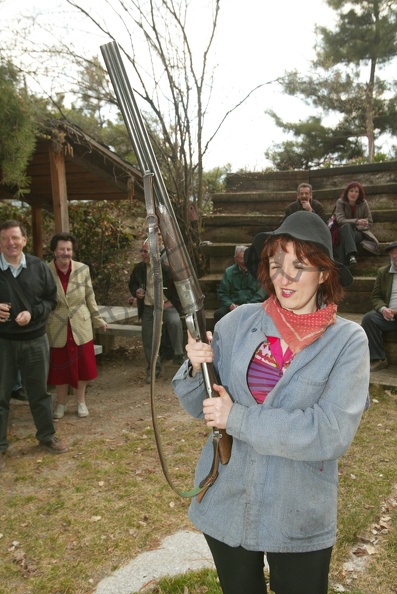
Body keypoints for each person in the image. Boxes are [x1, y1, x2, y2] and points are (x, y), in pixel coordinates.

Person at [172, 211, 369, 594]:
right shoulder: (237, 323)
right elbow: (200, 406)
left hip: (298, 511)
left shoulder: (348, 341)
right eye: (277, 265)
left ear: (325, 273)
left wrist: (238, 419)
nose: (285, 278)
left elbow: (329, 433)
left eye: (300, 265)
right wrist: (197, 368)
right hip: (228, 501)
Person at [0, 220, 67, 470]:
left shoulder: (38, 267)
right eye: (5, 238)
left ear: (24, 240)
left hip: (36, 340)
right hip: (3, 342)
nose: (10, 243)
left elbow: (51, 301)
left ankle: (46, 436)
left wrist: (33, 314)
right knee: (1, 396)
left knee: (39, 393)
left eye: (15, 238)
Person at [46, 232, 108, 419]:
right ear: (54, 251)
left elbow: (90, 296)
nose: (66, 253)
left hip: (80, 326)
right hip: (57, 327)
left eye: (69, 249)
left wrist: (98, 319)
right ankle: (61, 404)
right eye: (62, 249)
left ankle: (81, 402)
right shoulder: (45, 270)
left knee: (82, 367)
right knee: (60, 369)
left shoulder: (83, 269)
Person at [129, 239, 185, 384]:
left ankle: (178, 355)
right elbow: (132, 284)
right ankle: (153, 369)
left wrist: (170, 303)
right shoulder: (139, 269)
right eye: (141, 251)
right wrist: (136, 292)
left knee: (174, 322)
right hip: (148, 307)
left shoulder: (166, 269)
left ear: (154, 253)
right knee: (148, 337)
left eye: (145, 251)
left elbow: (179, 290)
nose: (142, 254)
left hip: (166, 306)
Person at [361, 241, 397, 371]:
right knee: (369, 319)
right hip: (389, 315)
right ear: (390, 257)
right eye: (394, 255)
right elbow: (376, 296)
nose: (396, 257)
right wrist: (383, 309)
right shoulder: (383, 272)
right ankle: (379, 359)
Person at [214, 246, 266, 324]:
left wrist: (246, 306)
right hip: (233, 306)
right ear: (235, 259)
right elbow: (222, 293)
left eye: (245, 258)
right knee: (219, 314)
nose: (244, 261)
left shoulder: (257, 271)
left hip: (252, 305)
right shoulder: (229, 272)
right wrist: (230, 304)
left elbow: (261, 293)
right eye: (241, 258)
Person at [334, 181, 379, 266]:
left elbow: (369, 222)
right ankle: (351, 255)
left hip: (359, 233)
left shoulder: (364, 203)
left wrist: (362, 225)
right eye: (351, 191)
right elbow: (340, 220)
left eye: (356, 191)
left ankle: (342, 268)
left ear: (359, 194)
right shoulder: (340, 202)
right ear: (347, 192)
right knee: (346, 227)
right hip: (342, 231)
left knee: (345, 239)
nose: (353, 194)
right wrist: (357, 221)